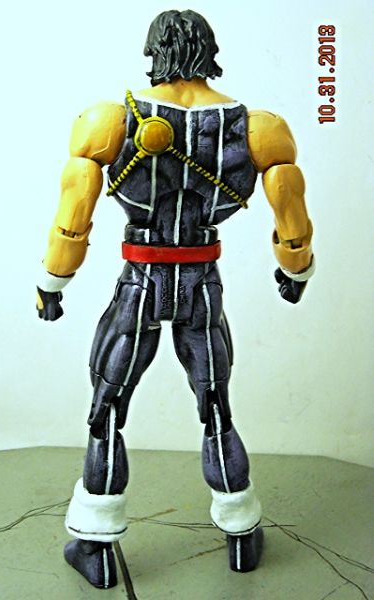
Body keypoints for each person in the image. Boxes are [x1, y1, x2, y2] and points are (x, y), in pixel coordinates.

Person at [36, 9, 315, 589]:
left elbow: (73, 217)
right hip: (202, 285)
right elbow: (291, 217)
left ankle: (96, 546)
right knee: (215, 406)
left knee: (107, 409)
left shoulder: (110, 121)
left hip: (139, 284)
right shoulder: (256, 128)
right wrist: (297, 271)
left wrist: (52, 285)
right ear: (210, 52)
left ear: (153, 52)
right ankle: (241, 533)